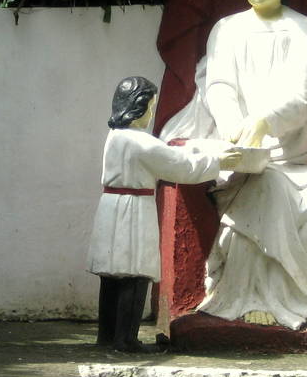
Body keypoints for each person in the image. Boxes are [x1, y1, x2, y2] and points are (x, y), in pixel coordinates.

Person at [161, 0, 307, 330]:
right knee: (263, 187)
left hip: (301, 161)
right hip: (246, 160)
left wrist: (264, 120)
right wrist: (235, 125)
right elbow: (220, 86)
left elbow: (302, 98)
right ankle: (249, 295)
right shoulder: (228, 30)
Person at [87, 77, 239, 350]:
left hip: (112, 206)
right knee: (135, 272)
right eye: (150, 107)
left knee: (112, 274)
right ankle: (126, 340)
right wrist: (218, 161)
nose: (151, 113)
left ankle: (107, 336)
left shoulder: (116, 137)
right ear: (138, 107)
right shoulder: (140, 142)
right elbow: (178, 166)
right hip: (132, 212)